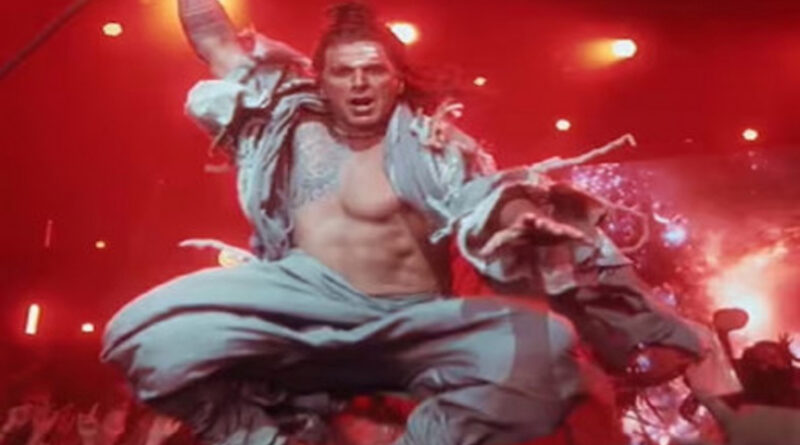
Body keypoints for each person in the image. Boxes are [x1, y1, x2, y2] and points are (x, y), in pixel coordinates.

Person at [101, 2, 729, 444]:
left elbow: (488, 196)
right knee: (143, 335)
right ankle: (267, 437)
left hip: (409, 319)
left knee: (547, 354)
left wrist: (521, 219)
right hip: (302, 304)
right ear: (322, 78)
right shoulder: (286, 126)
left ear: (397, 78)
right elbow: (214, 38)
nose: (359, 84)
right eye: (344, 71)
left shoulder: (433, 144)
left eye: (373, 70)